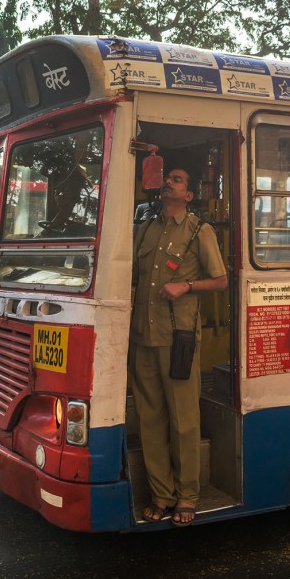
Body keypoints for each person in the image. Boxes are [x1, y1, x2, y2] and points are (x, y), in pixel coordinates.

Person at [129, 166, 228, 526]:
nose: (169, 182)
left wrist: (185, 287)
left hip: (179, 338)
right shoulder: (145, 230)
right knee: (149, 419)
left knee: (184, 421)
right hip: (142, 337)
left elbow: (219, 281)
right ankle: (161, 494)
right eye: (167, 177)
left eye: (178, 179)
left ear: (188, 195)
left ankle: (187, 497)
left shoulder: (199, 231)